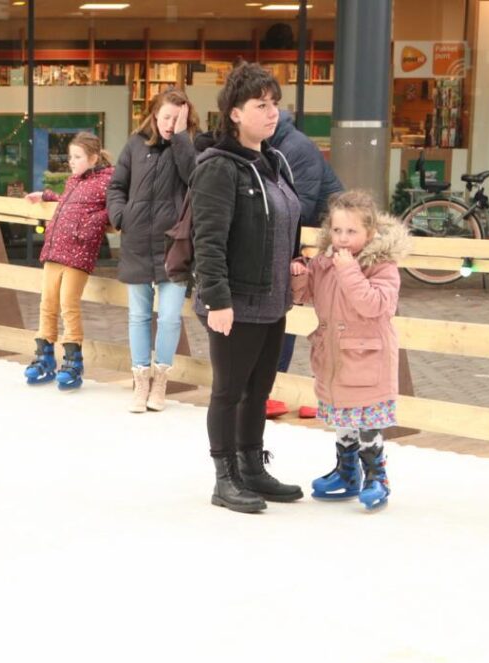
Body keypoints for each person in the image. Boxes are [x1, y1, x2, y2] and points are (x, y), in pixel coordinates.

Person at [189, 62, 304, 513]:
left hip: (273, 299)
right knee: (229, 390)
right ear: (234, 113)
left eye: (274, 103)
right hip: (234, 300)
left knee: (259, 390)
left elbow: (286, 223)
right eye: (261, 104)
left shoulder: (274, 161)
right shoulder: (219, 167)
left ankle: (252, 466)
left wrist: (295, 261)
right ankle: (225, 477)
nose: (271, 112)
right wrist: (217, 298)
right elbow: (208, 239)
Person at [290, 190, 408, 511]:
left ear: (369, 233)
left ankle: (376, 476)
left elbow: (375, 305)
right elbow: (306, 296)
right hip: (334, 357)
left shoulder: (382, 266)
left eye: (352, 232)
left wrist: (348, 270)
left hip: (368, 359)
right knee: (343, 416)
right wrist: (299, 276)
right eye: (338, 230)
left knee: (367, 422)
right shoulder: (326, 262)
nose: (343, 239)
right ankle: (346, 472)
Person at [106, 90, 198, 412]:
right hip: (137, 242)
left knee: (171, 317)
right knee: (139, 316)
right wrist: (121, 216)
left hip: (174, 245)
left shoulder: (192, 146)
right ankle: (140, 382)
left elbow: (195, 179)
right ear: (154, 114)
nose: (170, 124)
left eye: (178, 118)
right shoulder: (135, 144)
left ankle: (160, 381)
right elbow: (116, 186)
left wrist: (182, 138)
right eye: (166, 117)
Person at [23, 131, 115, 392]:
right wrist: (46, 196)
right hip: (56, 248)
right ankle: (44, 355)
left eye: (77, 157)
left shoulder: (108, 181)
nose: (71, 161)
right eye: (71, 156)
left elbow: (116, 208)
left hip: (78, 251)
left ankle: (73, 360)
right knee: (47, 302)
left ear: (94, 158)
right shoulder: (74, 181)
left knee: (67, 303)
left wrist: (93, 223)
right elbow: (68, 203)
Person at [269, 107, 346, 416]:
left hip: (327, 242)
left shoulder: (296, 148)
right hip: (301, 241)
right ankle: (277, 390)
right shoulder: (269, 146)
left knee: (324, 320)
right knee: (287, 314)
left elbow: (299, 206)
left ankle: (321, 396)